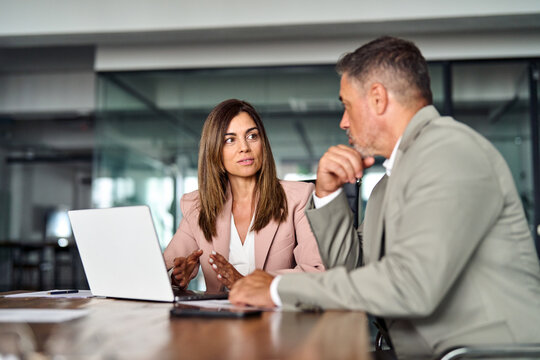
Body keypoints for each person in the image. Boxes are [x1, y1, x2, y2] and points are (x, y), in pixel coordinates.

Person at [229, 37, 540, 359]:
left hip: (484, 353)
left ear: (377, 98)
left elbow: (410, 286)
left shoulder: (450, 151)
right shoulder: (388, 184)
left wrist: (278, 289)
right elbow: (352, 270)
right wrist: (326, 196)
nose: (343, 122)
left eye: (346, 105)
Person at [163, 99, 324, 292]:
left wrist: (247, 282)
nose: (244, 147)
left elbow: (316, 272)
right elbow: (164, 268)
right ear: (215, 151)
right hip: (217, 319)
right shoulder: (196, 206)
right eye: (230, 140)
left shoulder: (298, 198)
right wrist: (176, 276)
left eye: (252, 136)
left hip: (275, 317)